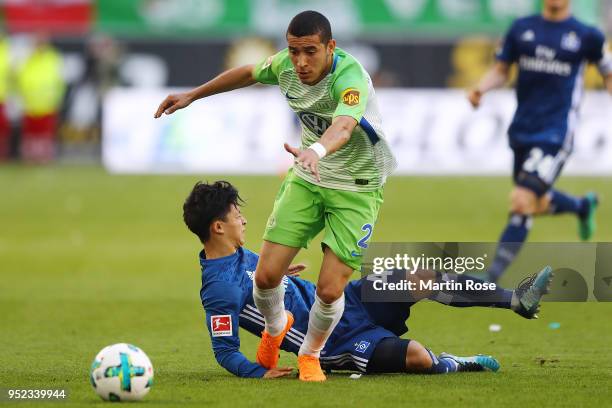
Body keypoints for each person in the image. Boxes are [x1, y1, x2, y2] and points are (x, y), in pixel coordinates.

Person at [155, 11, 397, 381]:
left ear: (330, 47)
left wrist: (315, 151)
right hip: (307, 178)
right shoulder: (286, 65)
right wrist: (193, 95)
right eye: (294, 50)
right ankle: (275, 328)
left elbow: (344, 125)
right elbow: (248, 73)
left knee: (330, 290)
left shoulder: (349, 79)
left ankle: (310, 355)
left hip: (356, 187)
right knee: (266, 276)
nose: (300, 62)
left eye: (310, 51)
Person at [183, 180, 554, 379]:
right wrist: (256, 372)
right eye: (236, 216)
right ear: (218, 227)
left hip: (345, 298)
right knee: (418, 357)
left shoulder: (240, 256)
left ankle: (515, 300)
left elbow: (262, 281)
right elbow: (224, 350)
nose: (244, 220)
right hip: (332, 339)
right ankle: (452, 362)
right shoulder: (218, 288)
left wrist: (282, 274)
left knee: (421, 277)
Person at [468, 0, 612, 283]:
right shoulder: (522, 29)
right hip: (522, 128)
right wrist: (480, 89)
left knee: (522, 201)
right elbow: (501, 69)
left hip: (556, 133)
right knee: (535, 201)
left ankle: (490, 278)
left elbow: (608, 72)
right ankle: (582, 206)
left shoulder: (587, 35)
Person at [15, 33, 65, 163]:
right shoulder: (26, 58)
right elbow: (19, 77)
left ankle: (44, 157)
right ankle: (30, 158)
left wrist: (58, 99)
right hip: (30, 104)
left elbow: (60, 80)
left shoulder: (53, 58)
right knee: (31, 135)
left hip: (47, 104)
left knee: (45, 135)